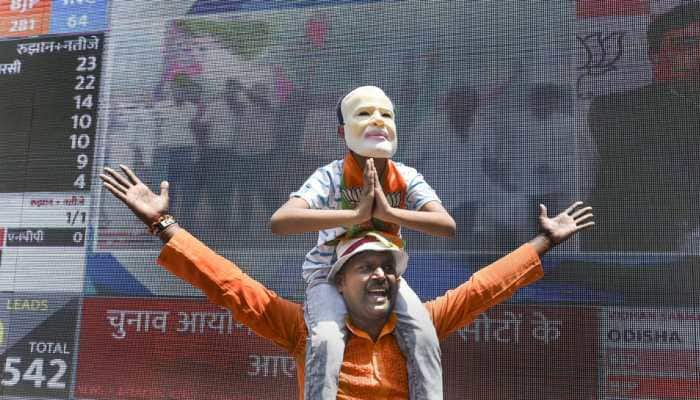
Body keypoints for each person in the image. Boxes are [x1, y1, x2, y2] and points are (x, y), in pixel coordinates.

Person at [99, 164, 594, 400]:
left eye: (388, 266)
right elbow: (230, 285)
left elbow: (484, 288)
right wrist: (163, 226)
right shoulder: (306, 331)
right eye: (365, 266)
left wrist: (543, 243)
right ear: (338, 281)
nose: (380, 274)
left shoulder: (421, 325)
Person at [269, 86, 456, 399]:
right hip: (329, 275)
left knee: (424, 337)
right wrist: (354, 215)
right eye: (365, 114)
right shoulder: (330, 176)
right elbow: (281, 222)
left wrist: (388, 211)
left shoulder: (406, 177)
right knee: (327, 339)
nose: (379, 121)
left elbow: (446, 226)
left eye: (386, 114)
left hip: (380, 275)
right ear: (343, 132)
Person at [585, 1, 700, 251]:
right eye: (689, 45)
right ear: (657, 56)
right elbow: (649, 181)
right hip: (646, 253)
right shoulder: (616, 110)